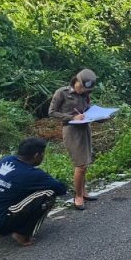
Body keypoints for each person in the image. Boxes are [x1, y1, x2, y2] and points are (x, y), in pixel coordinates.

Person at [0, 137, 67, 246]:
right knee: (49, 194)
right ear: (37, 155)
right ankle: (22, 233)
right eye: (42, 154)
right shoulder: (33, 174)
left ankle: (7, 223)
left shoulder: (5, 160)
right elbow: (61, 189)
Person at [49, 68, 99, 210]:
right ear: (76, 80)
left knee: (85, 164)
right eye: (81, 87)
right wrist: (72, 117)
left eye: (85, 89)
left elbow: (87, 110)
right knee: (80, 165)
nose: (82, 90)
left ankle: (83, 191)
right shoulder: (62, 92)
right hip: (71, 131)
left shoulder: (85, 95)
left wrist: (100, 116)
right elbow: (52, 112)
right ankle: (77, 196)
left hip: (85, 129)